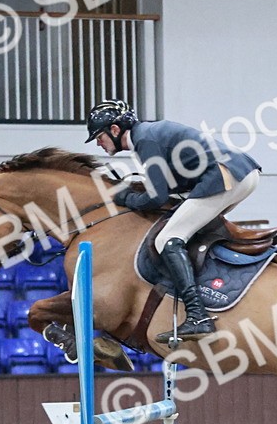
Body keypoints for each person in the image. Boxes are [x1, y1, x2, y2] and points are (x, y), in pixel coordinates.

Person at [84, 99, 262, 344]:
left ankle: (198, 316)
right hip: (241, 173)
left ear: (115, 130)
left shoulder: (145, 140)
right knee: (184, 227)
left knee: (167, 239)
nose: (98, 143)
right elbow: (167, 190)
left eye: (99, 136)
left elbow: (157, 197)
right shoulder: (147, 136)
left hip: (225, 175)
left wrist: (126, 197)